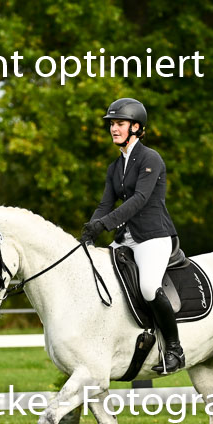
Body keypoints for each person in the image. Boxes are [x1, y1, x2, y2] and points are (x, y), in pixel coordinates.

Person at [81, 97, 184, 374]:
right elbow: (105, 204)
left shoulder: (151, 158)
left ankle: (174, 349)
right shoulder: (115, 167)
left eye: (120, 123)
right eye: (112, 124)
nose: (114, 129)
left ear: (136, 127)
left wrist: (104, 225)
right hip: (125, 238)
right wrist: (90, 231)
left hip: (153, 237)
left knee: (149, 287)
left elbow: (139, 199)